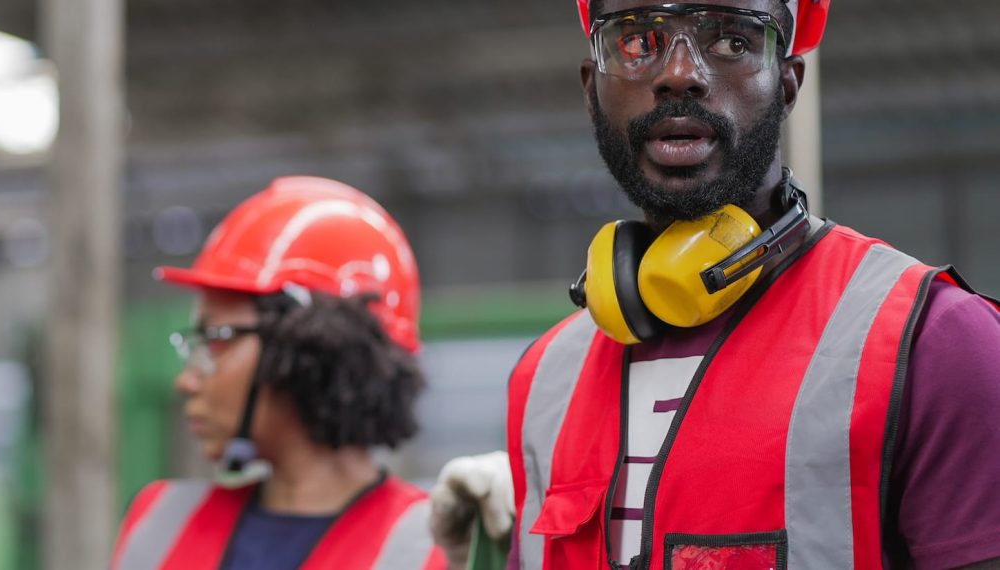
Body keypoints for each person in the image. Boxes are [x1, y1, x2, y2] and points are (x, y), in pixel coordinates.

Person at [429, 1, 1000, 569]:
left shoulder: (935, 342)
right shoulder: (544, 381)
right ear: (590, 87)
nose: (679, 73)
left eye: (731, 40)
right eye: (637, 41)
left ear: (787, 84)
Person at [110, 176, 447, 569]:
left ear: (309, 347)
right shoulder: (160, 526)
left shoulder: (433, 548)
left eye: (217, 338)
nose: (185, 381)